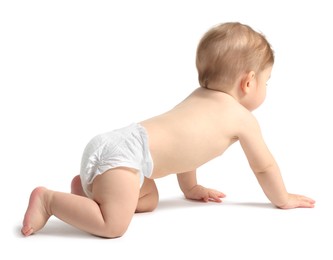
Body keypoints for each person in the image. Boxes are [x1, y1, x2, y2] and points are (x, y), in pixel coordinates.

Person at [21, 22, 315, 239]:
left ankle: (88, 194)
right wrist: (283, 198)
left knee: (148, 200)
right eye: (267, 81)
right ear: (248, 82)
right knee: (113, 226)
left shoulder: (199, 96)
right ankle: (49, 200)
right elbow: (264, 167)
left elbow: (185, 147)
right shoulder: (241, 118)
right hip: (125, 157)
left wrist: (191, 188)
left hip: (121, 149)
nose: (266, 88)